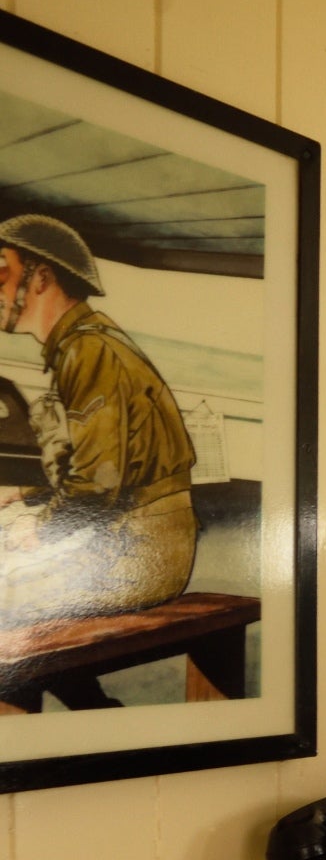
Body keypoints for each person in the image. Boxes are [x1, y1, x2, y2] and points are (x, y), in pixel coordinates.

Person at [0, 214, 201, 627]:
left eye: (2, 270)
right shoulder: (87, 343)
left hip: (138, 551)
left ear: (40, 278)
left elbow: (99, 481)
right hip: (135, 537)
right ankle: (91, 697)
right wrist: (23, 492)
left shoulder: (89, 351)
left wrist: (38, 529)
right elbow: (105, 465)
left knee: (7, 599)